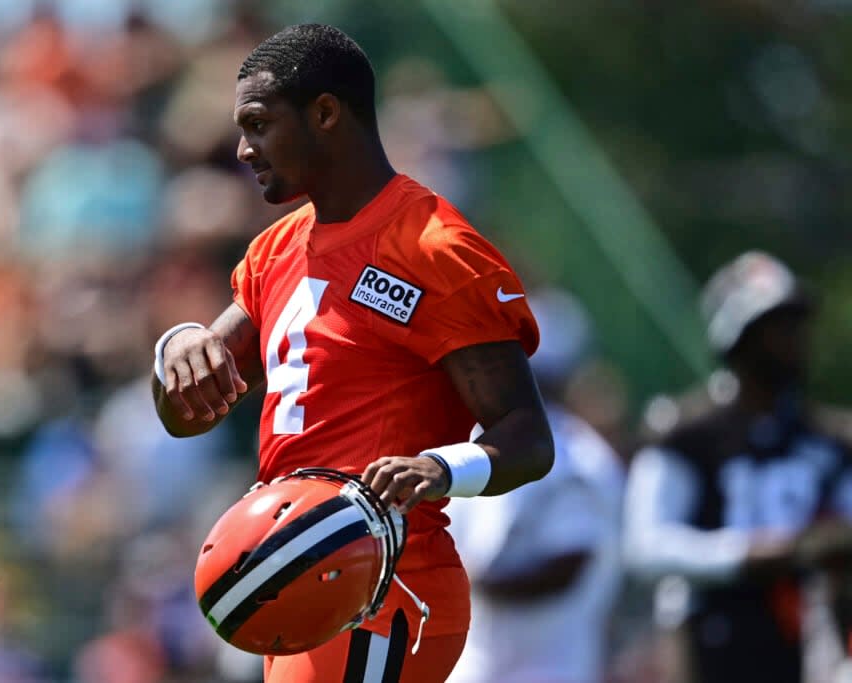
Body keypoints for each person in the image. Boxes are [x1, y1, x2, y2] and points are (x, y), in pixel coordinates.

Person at [150, 23, 554, 683]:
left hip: (385, 581)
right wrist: (179, 345)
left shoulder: (434, 248)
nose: (244, 149)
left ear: (326, 113)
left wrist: (440, 467)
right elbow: (185, 410)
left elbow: (529, 438)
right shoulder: (276, 247)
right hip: (302, 577)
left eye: (258, 123)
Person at [623, 251, 852, 683]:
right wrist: (743, 555)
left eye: (797, 325)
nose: (795, 339)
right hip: (710, 639)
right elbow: (645, 546)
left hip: (808, 636)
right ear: (739, 336)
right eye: (778, 327)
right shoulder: (686, 433)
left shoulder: (826, 438)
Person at [447, 288, 625, 683]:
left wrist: (474, 581)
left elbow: (567, 566)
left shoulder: (579, 458)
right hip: (478, 660)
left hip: (551, 665)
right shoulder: (479, 442)